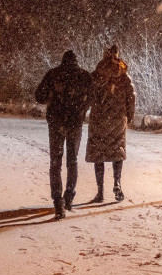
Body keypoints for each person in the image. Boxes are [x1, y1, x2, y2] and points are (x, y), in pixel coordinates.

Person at [34, 49, 93, 219]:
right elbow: (92, 97)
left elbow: (39, 96)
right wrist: (81, 108)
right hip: (75, 123)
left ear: (63, 61)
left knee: (56, 161)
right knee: (72, 160)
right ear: (76, 61)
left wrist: (53, 98)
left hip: (56, 123)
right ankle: (69, 195)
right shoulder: (84, 76)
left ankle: (57, 201)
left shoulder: (53, 74)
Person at [85, 44, 136, 203]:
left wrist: (84, 111)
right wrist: (130, 116)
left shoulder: (95, 75)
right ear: (117, 55)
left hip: (99, 119)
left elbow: (88, 97)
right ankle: (117, 183)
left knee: (98, 153)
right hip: (118, 119)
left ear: (104, 56)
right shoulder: (124, 77)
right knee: (117, 150)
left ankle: (100, 192)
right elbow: (131, 98)